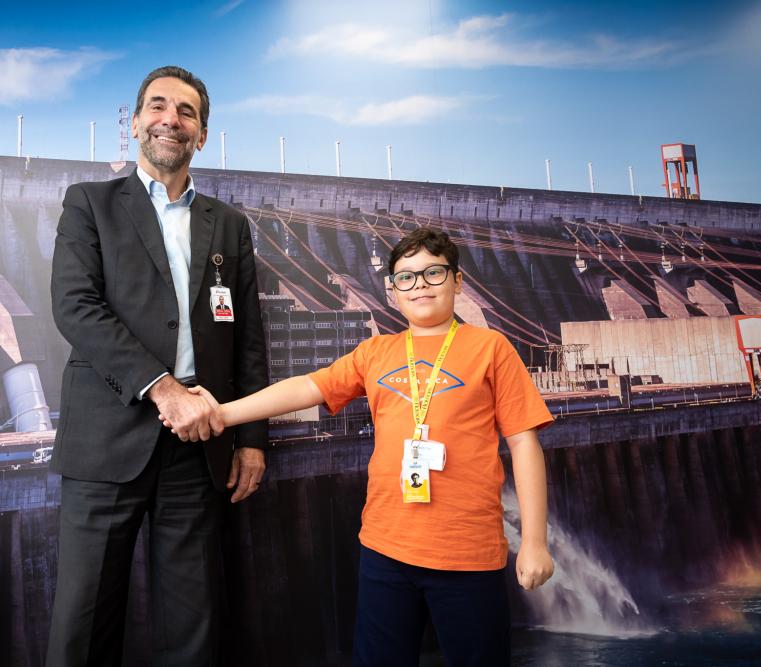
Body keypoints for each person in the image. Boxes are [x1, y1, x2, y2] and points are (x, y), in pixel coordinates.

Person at [170, 228, 554, 666]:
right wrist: (222, 414)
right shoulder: (376, 352)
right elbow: (306, 388)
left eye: (433, 273)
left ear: (458, 281)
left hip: (467, 556)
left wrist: (535, 541)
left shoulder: (491, 348)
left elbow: (524, 442)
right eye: (406, 277)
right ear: (391, 292)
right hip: (385, 552)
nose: (420, 285)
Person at [47, 65, 268, 666]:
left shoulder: (229, 224)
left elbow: (247, 339)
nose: (171, 118)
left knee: (193, 626)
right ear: (136, 122)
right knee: (83, 623)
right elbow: (75, 307)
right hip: (107, 443)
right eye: (158, 106)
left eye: (187, 111)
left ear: (202, 132)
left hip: (198, 448)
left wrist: (251, 440)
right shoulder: (90, 203)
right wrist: (164, 389)